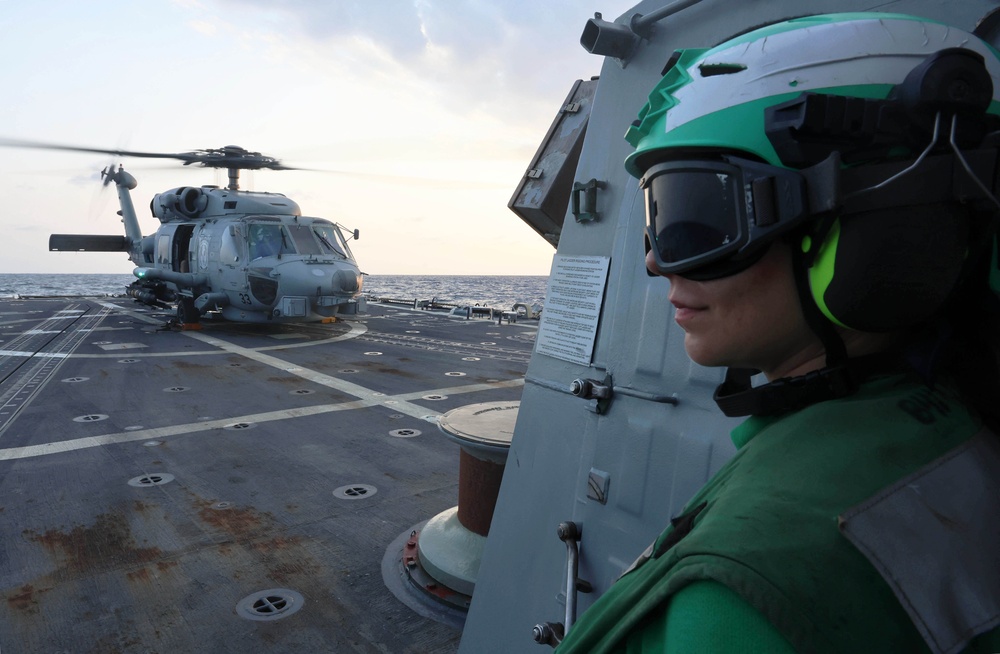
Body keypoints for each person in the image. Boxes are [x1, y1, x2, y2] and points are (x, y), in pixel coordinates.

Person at [557, 13, 1000, 654]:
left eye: (702, 219)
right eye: (663, 218)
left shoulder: (732, 609)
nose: (655, 261)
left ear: (873, 230)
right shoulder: (955, 410)